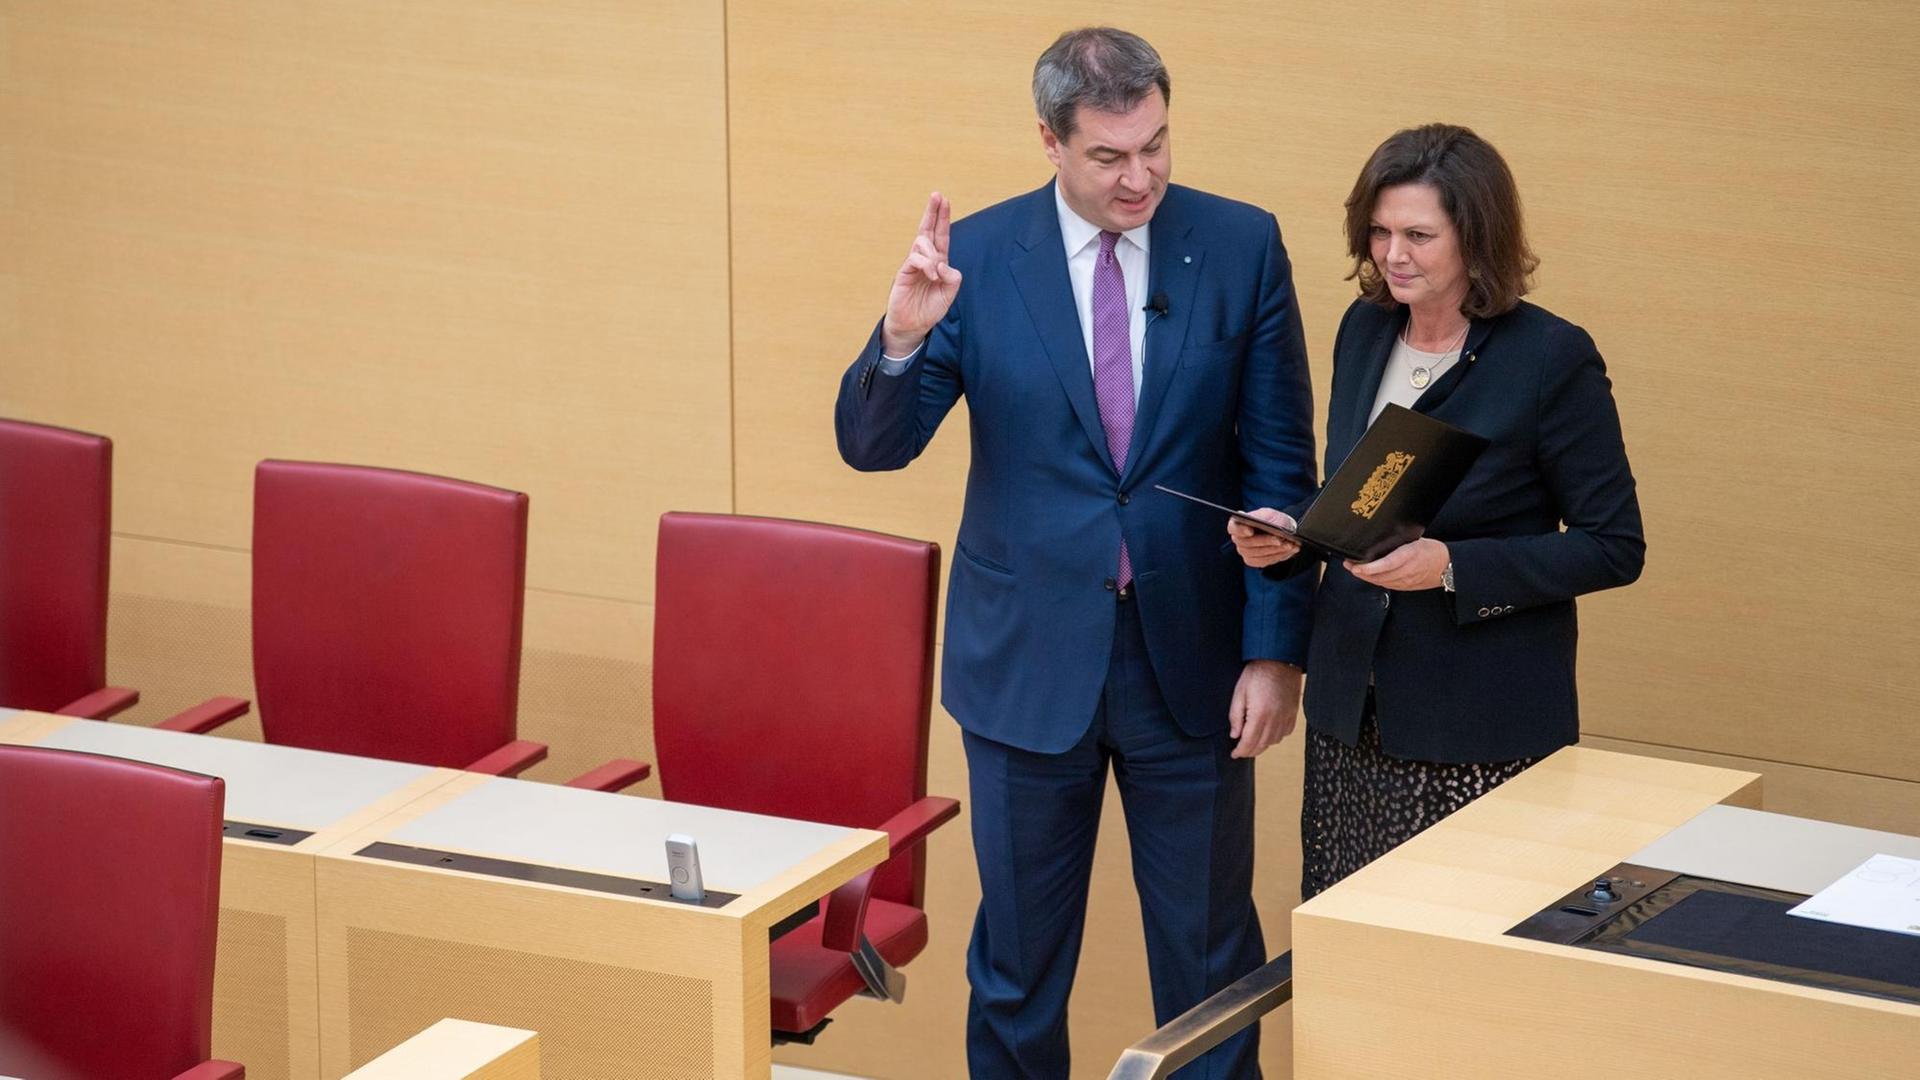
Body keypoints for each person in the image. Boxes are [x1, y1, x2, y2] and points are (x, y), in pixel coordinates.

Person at [835, 26, 1316, 1079]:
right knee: (1016, 969)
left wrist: (1276, 652)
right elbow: (873, 449)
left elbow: (1283, 469)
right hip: (1023, 669)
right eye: (1109, 155)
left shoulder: (1240, 246)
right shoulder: (980, 259)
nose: (1138, 175)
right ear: (1050, 142)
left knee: (1209, 965)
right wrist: (904, 333)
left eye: (1155, 145)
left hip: (1190, 664)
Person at [1231, 123, 1645, 900]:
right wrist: (1292, 532)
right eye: (1381, 232)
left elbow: (1614, 545)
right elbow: (1362, 495)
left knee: (1459, 955)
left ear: (1475, 238)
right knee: (1352, 937)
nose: (1393, 255)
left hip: (1478, 724)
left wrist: (1454, 567)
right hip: (1350, 714)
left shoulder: (1551, 358)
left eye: (1419, 235)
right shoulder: (1365, 329)